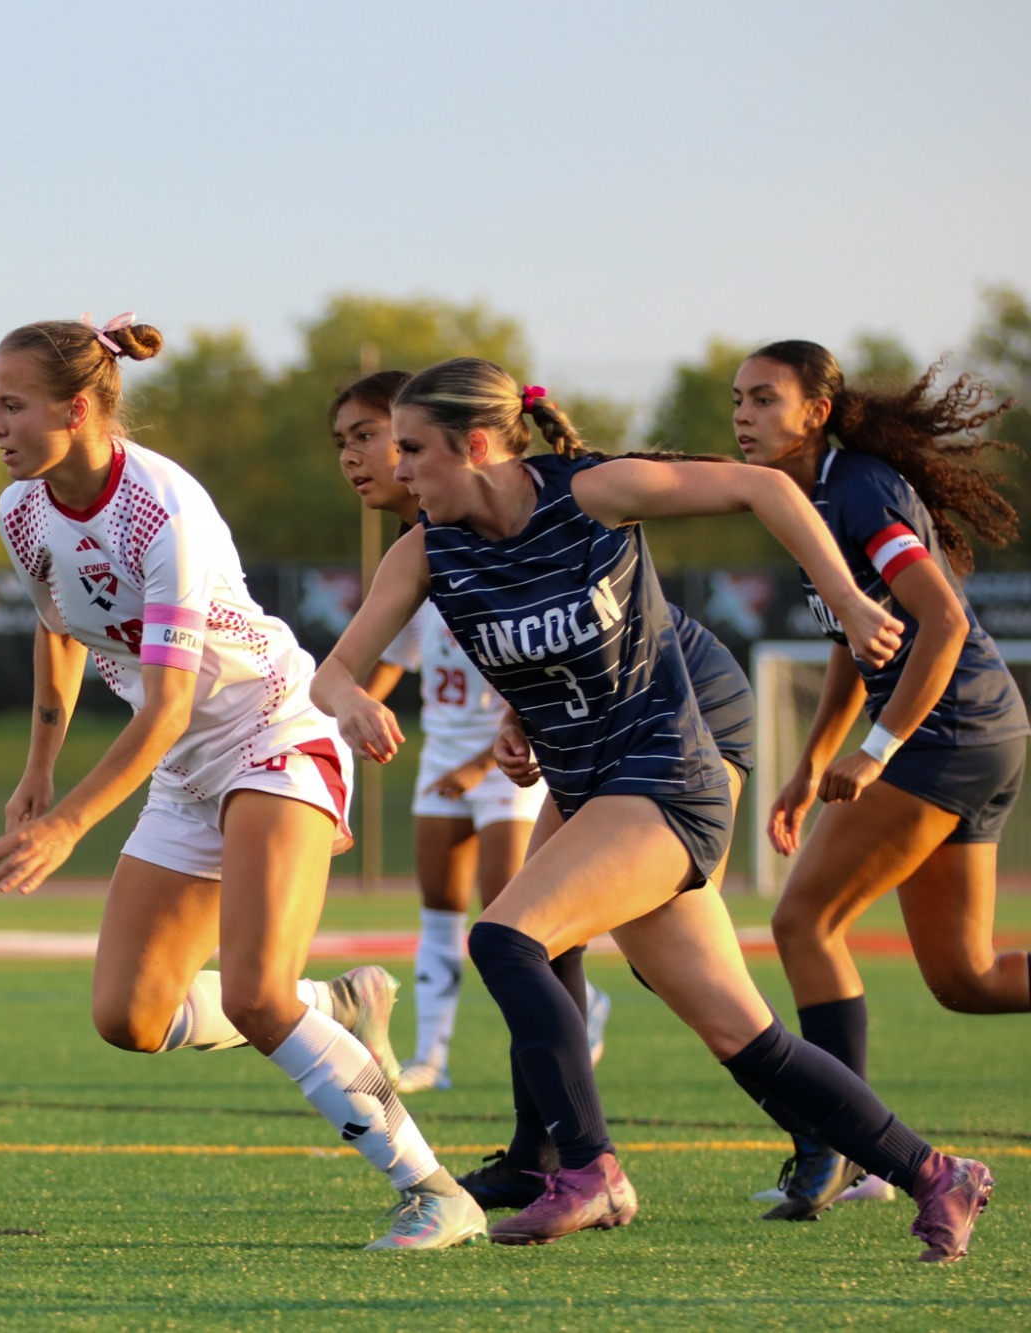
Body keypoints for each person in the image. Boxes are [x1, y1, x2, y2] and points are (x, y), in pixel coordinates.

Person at [311, 357, 992, 1260]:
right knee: (743, 1035)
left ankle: (586, 1168)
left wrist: (843, 593)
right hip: (594, 788)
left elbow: (761, 488)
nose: (397, 470)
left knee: (507, 936)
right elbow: (333, 670)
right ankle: (937, 1171)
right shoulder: (427, 549)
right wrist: (357, 700)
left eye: (411, 449)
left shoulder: (593, 492)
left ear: (477, 444)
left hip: (669, 775)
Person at [0, 312, 484, 1250]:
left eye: (12, 404)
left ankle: (434, 1192)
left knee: (256, 994)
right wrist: (39, 768)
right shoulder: (23, 510)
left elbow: (169, 704)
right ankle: (337, 1008)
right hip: (180, 767)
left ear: (80, 407)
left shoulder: (161, 505)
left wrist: (70, 827)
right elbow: (60, 628)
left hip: (270, 731)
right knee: (128, 1016)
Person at [733, 340, 1027, 1220]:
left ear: (816, 411)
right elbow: (847, 639)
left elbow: (941, 620)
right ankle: (850, 1145)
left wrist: (880, 747)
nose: (743, 415)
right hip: (980, 733)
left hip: (949, 733)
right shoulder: (801, 498)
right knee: (965, 978)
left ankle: (836, 1147)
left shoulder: (857, 488)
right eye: (736, 400)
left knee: (803, 919)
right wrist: (815, 758)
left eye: (763, 399)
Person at [331, 371, 576, 1093]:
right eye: (343, 441)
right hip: (463, 749)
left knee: (524, 933)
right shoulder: (418, 552)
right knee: (473, 922)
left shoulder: (500, 533)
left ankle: (567, 1067)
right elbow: (357, 668)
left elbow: (553, 656)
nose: (358, 457)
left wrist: (489, 751)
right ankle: (449, 1064)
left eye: (375, 438)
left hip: (540, 758)